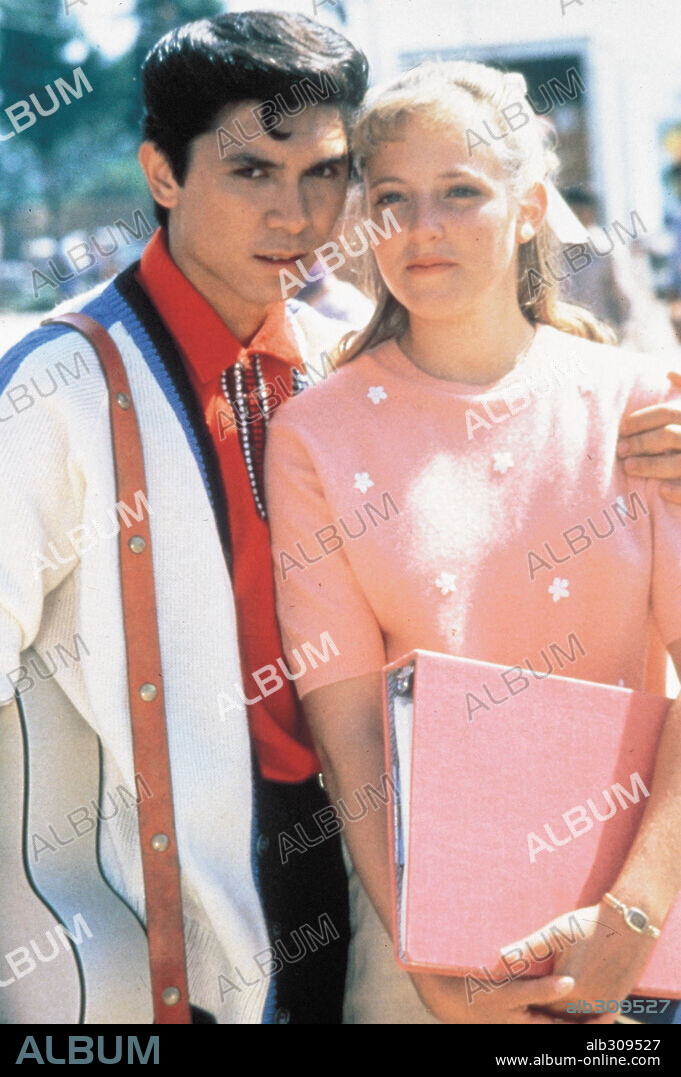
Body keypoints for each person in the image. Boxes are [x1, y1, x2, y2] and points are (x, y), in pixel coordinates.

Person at [264, 60, 681, 1024]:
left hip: (639, 927)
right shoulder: (314, 437)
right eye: (393, 199)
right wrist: (436, 959)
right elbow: (349, 729)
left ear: (529, 207)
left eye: (460, 192)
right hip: (422, 939)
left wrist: (634, 909)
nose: (422, 230)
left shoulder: (638, 408)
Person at [0, 11, 369, 1024]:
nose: (296, 215)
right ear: (162, 174)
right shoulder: (61, 384)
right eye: (251, 172)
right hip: (171, 931)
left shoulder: (354, 358)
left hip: (375, 875)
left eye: (325, 173)